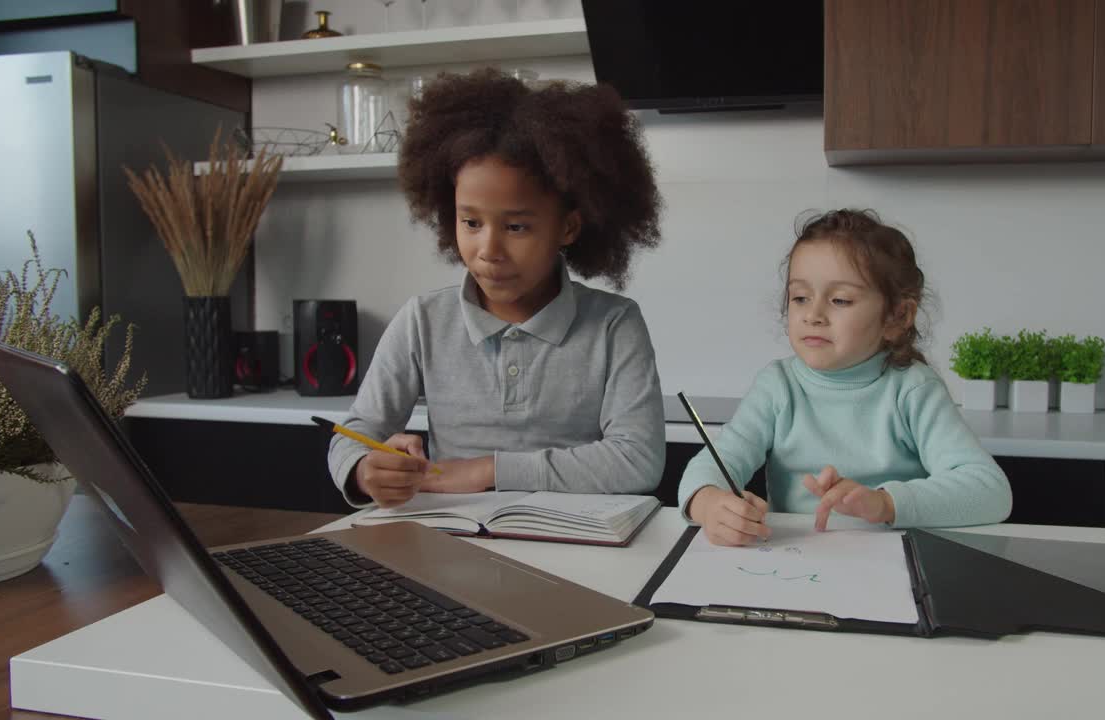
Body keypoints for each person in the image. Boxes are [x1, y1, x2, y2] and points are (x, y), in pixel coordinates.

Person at [328, 68, 666, 508]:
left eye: (517, 226)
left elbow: (638, 460)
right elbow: (352, 436)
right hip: (453, 541)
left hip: (576, 542)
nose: (489, 249)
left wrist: (486, 471)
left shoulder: (614, 324)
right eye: (471, 222)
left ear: (568, 226)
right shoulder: (423, 321)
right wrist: (364, 470)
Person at [678, 209, 1011, 545]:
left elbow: (990, 491)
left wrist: (884, 503)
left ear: (897, 316)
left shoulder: (913, 388)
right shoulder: (776, 386)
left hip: (890, 565)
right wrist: (708, 504)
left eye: (840, 299)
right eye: (800, 298)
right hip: (795, 562)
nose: (814, 314)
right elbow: (714, 465)